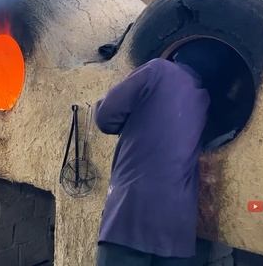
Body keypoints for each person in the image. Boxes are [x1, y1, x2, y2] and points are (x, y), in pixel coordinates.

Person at [95, 50, 225, 265]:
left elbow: (104, 118)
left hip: (132, 212)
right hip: (178, 227)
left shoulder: (158, 69)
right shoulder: (206, 100)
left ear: (178, 55)